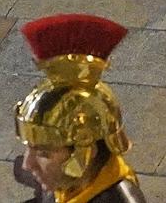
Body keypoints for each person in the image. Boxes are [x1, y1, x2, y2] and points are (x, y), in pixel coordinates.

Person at [14, 14, 143, 203]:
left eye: (43, 153)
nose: (27, 164)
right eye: (30, 149)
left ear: (85, 152)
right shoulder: (66, 185)